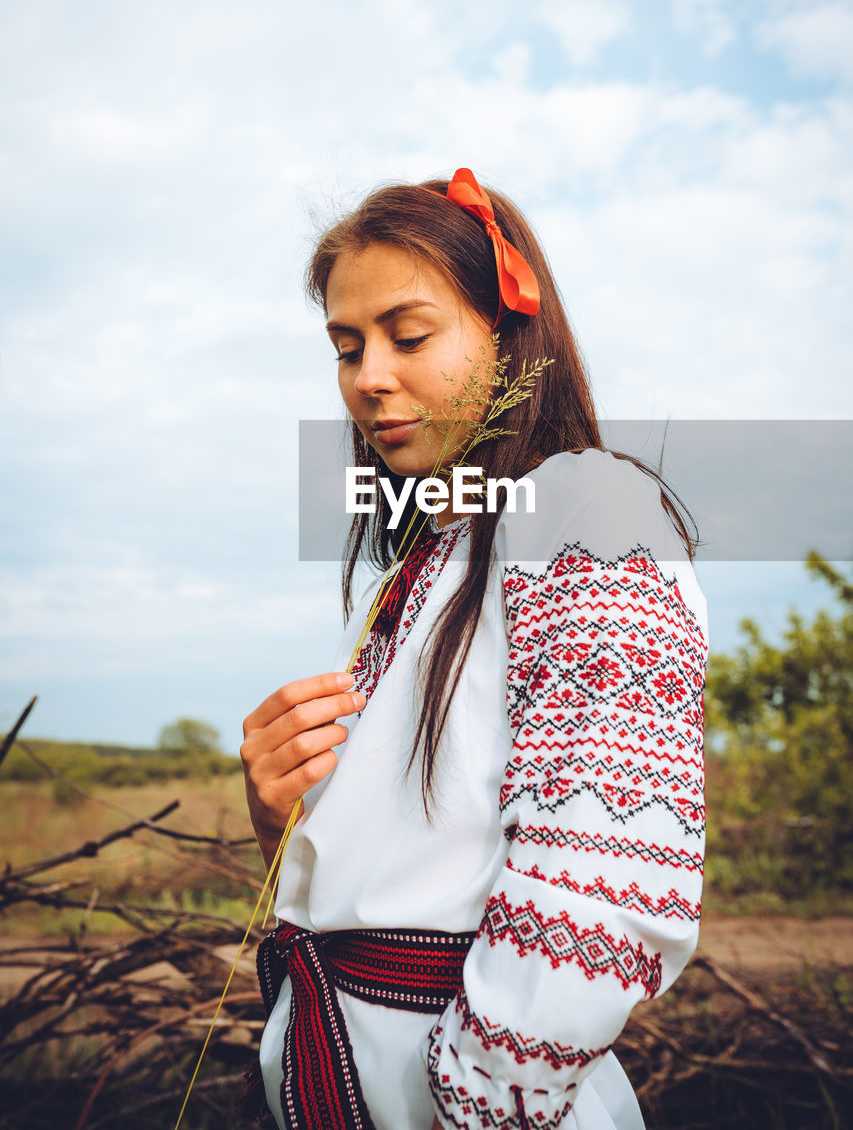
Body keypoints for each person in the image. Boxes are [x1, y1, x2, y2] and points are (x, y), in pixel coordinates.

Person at [240, 169, 708, 1130]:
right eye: (345, 345)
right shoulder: (419, 561)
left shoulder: (584, 506)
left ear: (508, 331)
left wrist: (478, 1095)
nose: (369, 375)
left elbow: (608, 873)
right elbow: (389, 868)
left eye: (408, 335)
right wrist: (275, 812)